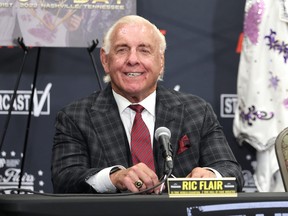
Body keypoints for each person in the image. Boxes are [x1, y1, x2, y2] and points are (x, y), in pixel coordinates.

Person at [51, 15, 244, 194]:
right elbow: (64, 179)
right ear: (105, 60)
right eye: (122, 50)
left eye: (144, 50)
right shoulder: (76, 116)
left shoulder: (197, 112)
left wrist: (212, 175)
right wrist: (114, 177)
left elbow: (231, 172)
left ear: (161, 61)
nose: (133, 60)